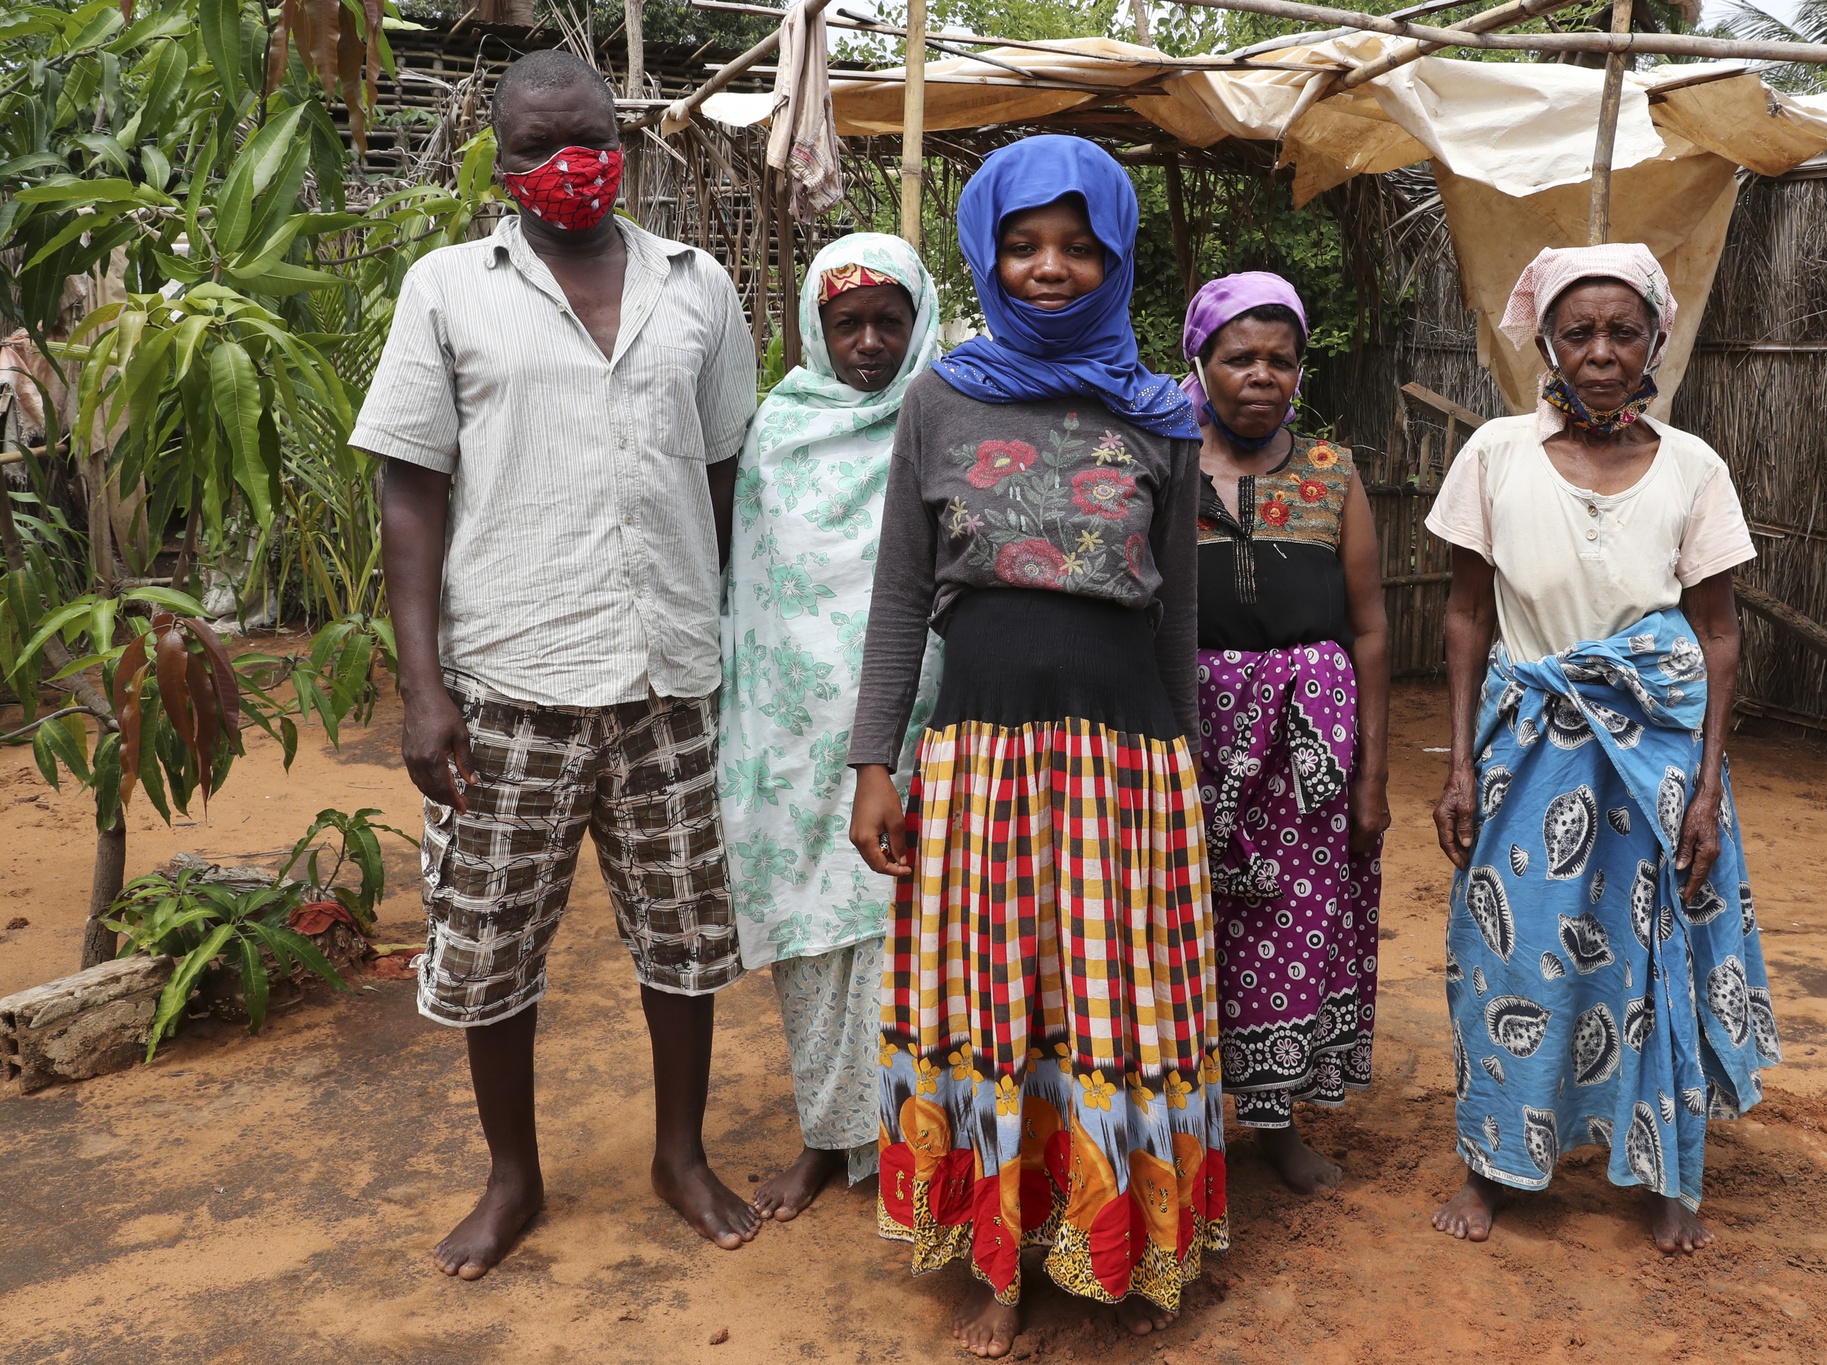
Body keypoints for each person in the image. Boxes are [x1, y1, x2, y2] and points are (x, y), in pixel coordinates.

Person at [352, 50, 761, 1278]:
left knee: (684, 937)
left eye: (579, 136)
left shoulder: (698, 286)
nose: (561, 164)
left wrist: (732, 630)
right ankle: (512, 1178)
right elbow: (410, 490)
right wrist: (422, 691)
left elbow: (728, 470)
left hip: (669, 679)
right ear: (500, 159)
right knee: (488, 946)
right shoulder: (446, 289)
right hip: (508, 684)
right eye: (532, 147)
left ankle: (678, 1156)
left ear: (617, 136)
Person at [847, 134, 1225, 1357]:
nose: (1049, 268)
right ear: (988, 255)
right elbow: (902, 599)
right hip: (980, 762)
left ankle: (1123, 1241)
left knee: (1114, 1002)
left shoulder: (1166, 417)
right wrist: (872, 766)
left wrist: (1188, 770)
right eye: (1023, 245)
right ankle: (1002, 1260)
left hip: (1127, 760)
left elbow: (1177, 617)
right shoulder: (940, 398)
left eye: (1077, 246)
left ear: (1112, 257)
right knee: (998, 998)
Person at [1422, 244, 1780, 1254]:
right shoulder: (1491, 455)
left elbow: (1715, 635)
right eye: (1576, 332)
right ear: (1544, 341)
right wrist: (1456, 765)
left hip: (1655, 758)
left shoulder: (1692, 467)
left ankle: (1664, 1169)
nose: (1599, 352)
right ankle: (1497, 1164)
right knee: (1507, 955)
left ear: (1655, 340)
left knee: (1657, 952)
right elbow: (1462, 619)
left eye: (1622, 331)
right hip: (1523, 751)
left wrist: (1705, 790)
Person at [717, 233, 944, 1220]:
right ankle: (822, 1135)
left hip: (912, 725)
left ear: (916, 323)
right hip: (791, 740)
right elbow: (754, 587)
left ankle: (911, 1142)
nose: (867, 343)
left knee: (910, 935)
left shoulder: (945, 418)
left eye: (887, 323)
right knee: (814, 945)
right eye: (845, 323)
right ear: (813, 328)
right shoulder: (777, 429)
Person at [1182, 273, 1391, 1196]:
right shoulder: (1161, 466)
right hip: (1195, 734)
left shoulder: (1331, 472)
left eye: (1281, 358)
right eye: (1240, 357)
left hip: (1309, 749)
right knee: (1185, 922)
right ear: (1201, 361)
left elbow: (1373, 625)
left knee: (1293, 927)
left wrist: (1371, 777)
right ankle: (1187, 1117)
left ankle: (1278, 1121)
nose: (1262, 375)